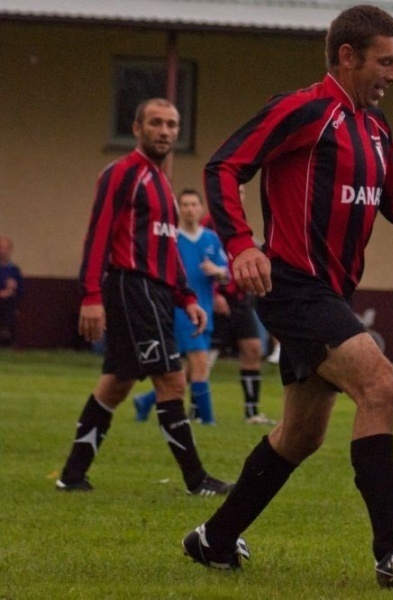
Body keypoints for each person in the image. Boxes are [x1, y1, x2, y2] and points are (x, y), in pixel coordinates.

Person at [182, 4, 393, 588]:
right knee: (381, 383)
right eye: (386, 62)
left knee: (301, 435)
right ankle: (392, 547)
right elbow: (225, 165)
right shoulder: (303, 110)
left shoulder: (374, 131)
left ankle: (214, 540)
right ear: (347, 56)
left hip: (331, 295)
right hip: (292, 285)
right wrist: (242, 245)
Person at [55, 98, 233, 496]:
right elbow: (98, 232)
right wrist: (90, 294)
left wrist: (185, 296)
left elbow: (167, 249)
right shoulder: (122, 173)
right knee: (171, 379)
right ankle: (197, 480)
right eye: (156, 123)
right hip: (131, 287)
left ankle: (72, 475)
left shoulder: (161, 182)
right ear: (137, 128)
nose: (165, 131)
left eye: (172, 124)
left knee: (116, 383)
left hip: (154, 291)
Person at [134, 189, 230, 424]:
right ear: (178, 209)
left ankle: (145, 401)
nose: (189, 209)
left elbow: (226, 273)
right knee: (199, 364)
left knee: (187, 371)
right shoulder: (171, 239)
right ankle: (207, 420)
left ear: (201, 209)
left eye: (193, 204)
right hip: (181, 311)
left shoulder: (211, 238)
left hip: (205, 310)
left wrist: (218, 272)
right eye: (184, 204)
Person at [206, 185, 276, 425]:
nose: (237, 196)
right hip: (218, 301)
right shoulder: (208, 223)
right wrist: (215, 294)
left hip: (241, 299)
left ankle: (251, 412)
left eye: (242, 192)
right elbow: (197, 257)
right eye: (232, 191)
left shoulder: (242, 224)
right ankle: (192, 409)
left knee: (253, 349)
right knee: (203, 359)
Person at [0, 235, 23, 347]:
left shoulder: (14, 270)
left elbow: (21, 290)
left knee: (9, 305)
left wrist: (13, 288)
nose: (3, 251)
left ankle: (7, 335)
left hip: (9, 303)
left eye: (6, 248)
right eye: (1, 248)